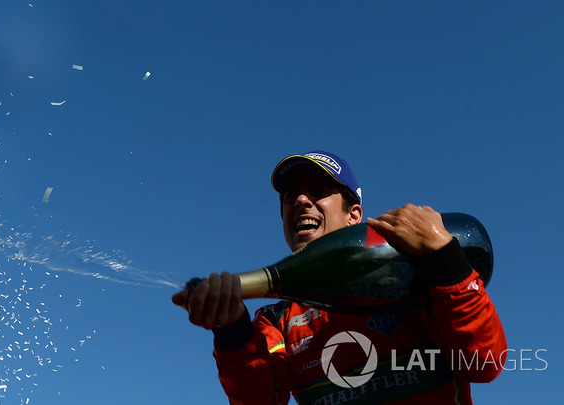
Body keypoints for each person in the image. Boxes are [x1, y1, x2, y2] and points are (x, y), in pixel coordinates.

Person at [172, 150, 506, 405]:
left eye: (318, 190)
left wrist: (444, 256)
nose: (301, 200)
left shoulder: (413, 276)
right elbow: (260, 400)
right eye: (291, 197)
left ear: (354, 216)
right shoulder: (274, 320)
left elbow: (484, 363)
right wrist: (232, 330)